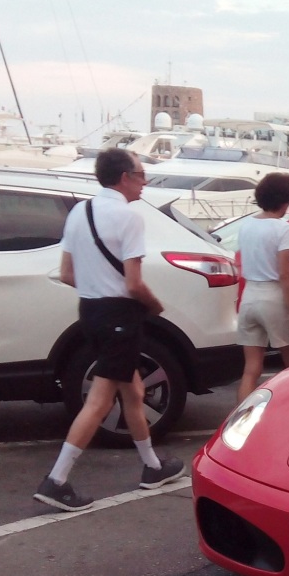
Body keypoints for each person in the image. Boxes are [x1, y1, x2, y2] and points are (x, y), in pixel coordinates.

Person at [33, 149, 184, 512]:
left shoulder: (79, 212)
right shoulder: (129, 218)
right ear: (124, 177)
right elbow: (134, 283)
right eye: (141, 174)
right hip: (120, 315)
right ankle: (57, 480)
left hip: (90, 311)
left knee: (132, 388)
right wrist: (155, 305)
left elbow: (68, 274)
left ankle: (152, 466)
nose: (145, 181)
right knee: (101, 399)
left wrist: (98, 290)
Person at [234, 172, 289, 404]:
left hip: (249, 296)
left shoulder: (247, 225)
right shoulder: (284, 229)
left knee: (251, 369)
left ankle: (239, 417)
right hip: (272, 297)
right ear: (284, 200)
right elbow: (284, 274)